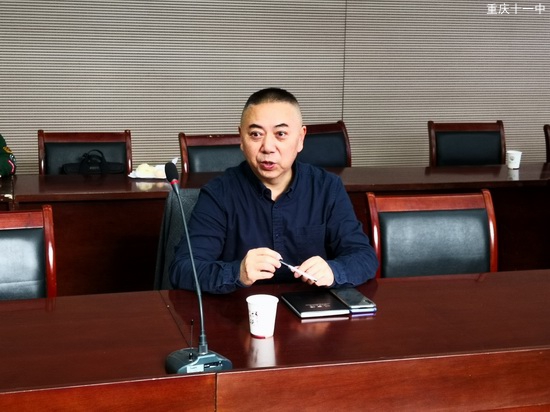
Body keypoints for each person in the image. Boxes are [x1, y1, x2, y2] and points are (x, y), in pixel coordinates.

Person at [170, 87, 378, 294]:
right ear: (241, 138)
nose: (268, 147)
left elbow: (364, 257)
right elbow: (183, 268)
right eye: (256, 134)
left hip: (312, 310)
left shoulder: (327, 188)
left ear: (301, 138)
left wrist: (333, 271)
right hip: (239, 310)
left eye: (281, 134)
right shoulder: (219, 193)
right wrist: (237, 272)